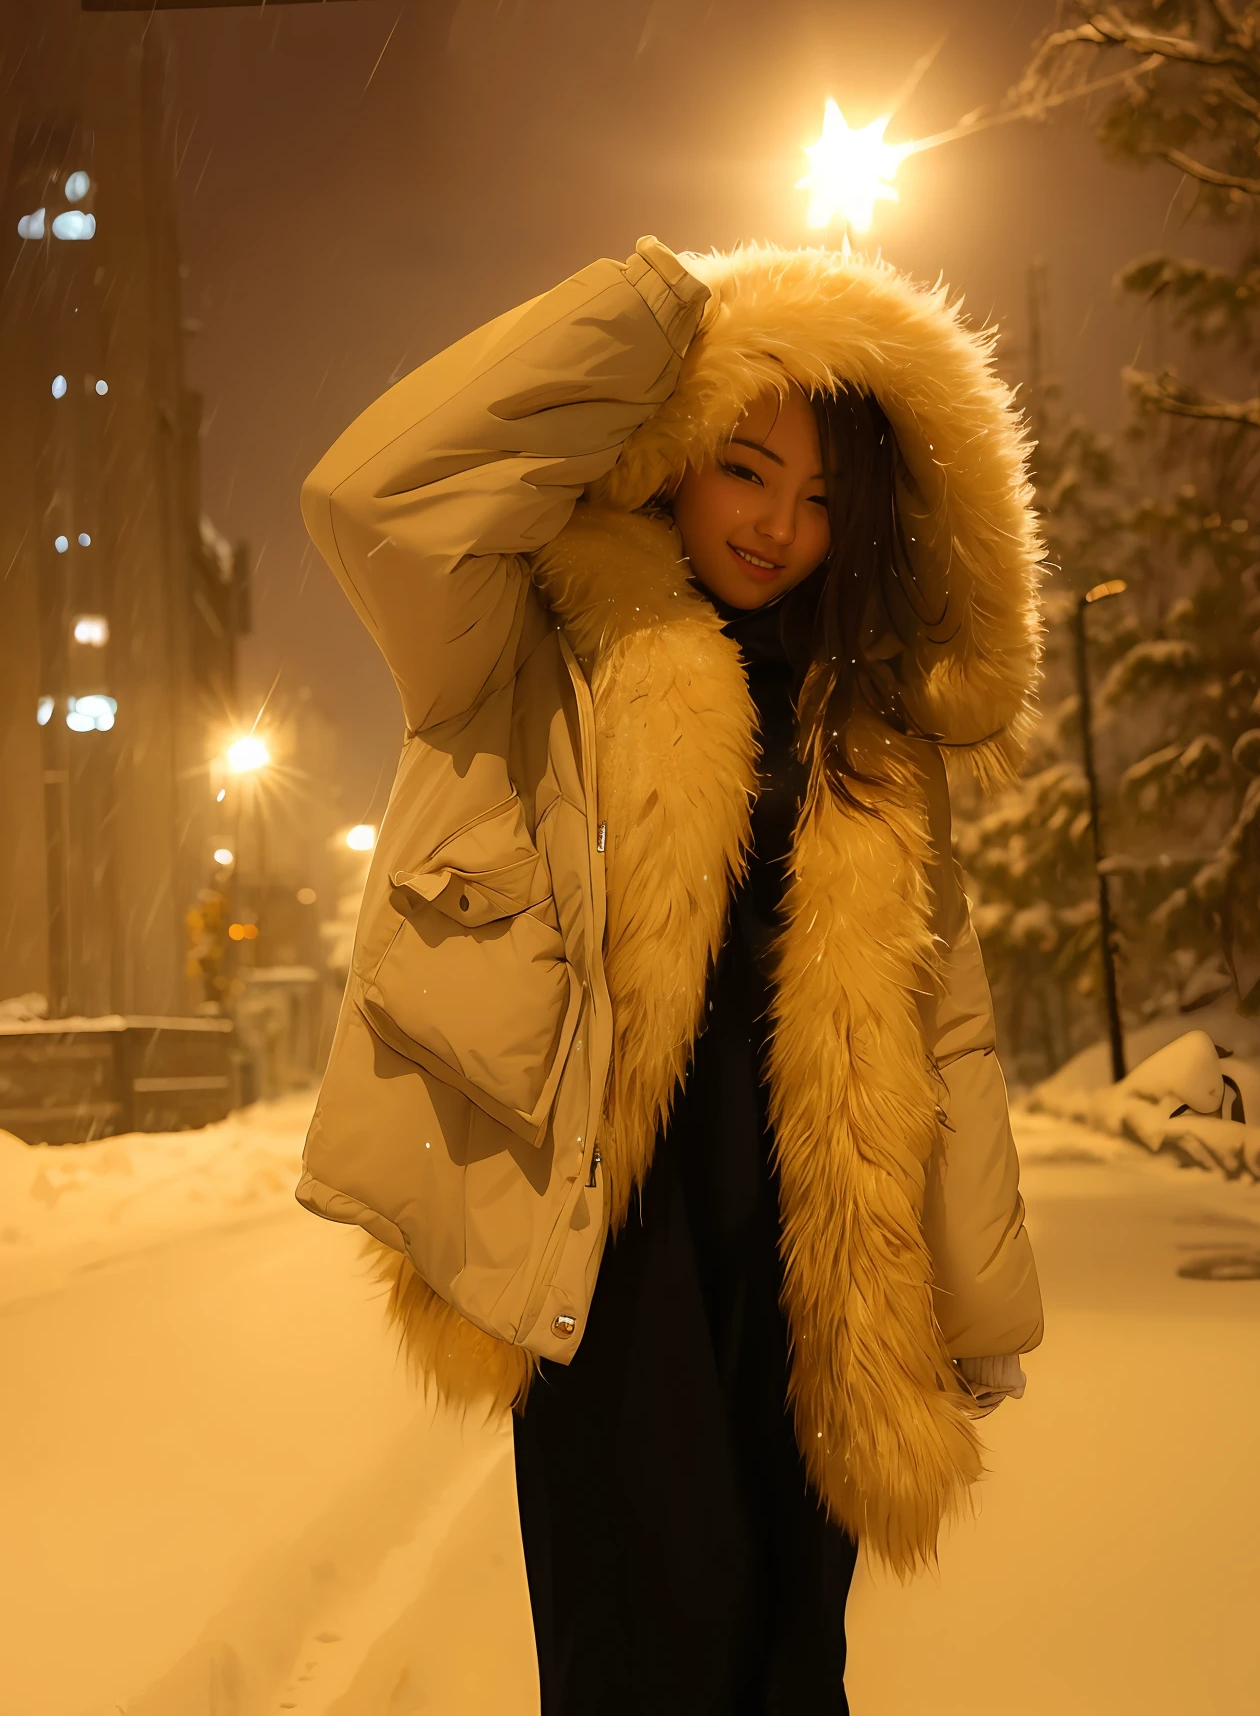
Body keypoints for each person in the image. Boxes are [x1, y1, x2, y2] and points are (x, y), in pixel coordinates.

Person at [297, 236, 1044, 1715]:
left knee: (787, 1667)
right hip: (616, 1252)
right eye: (748, 466)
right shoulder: (530, 647)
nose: (780, 524)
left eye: (825, 497)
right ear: (677, 451)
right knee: (640, 1664)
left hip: (811, 1273)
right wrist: (654, 315)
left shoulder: (867, 722)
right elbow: (367, 496)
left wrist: (974, 1300)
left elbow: (939, 1020)